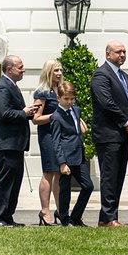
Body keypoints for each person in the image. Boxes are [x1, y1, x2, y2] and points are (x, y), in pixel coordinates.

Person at [91, 40, 128, 227]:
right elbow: (106, 103)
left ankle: (108, 217)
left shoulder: (125, 77)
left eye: (124, 51)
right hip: (108, 134)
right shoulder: (101, 75)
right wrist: (126, 122)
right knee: (109, 177)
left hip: (124, 135)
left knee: (118, 177)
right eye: (118, 52)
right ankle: (109, 218)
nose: (122, 55)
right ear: (108, 54)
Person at [0, 55, 38, 227]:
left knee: (14, 183)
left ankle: (7, 216)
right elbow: (4, 113)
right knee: (4, 182)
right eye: (20, 67)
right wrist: (24, 112)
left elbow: (13, 112)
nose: (23, 70)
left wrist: (27, 113)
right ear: (9, 69)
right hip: (6, 144)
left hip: (15, 144)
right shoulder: (2, 87)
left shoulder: (11, 86)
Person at [48, 80, 93, 226]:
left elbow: (77, 129)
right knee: (65, 190)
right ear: (59, 98)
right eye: (66, 99)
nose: (69, 102)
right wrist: (62, 163)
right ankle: (64, 218)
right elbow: (56, 141)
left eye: (72, 99)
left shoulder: (76, 110)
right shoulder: (56, 117)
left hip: (79, 155)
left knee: (88, 186)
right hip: (66, 158)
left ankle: (75, 217)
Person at [31, 59, 63, 225]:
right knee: (49, 172)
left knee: (60, 174)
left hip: (61, 136)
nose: (59, 73)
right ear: (48, 72)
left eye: (60, 70)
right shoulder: (41, 93)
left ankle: (61, 210)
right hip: (48, 136)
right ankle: (45, 211)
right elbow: (35, 119)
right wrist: (54, 116)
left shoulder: (61, 90)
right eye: (56, 70)